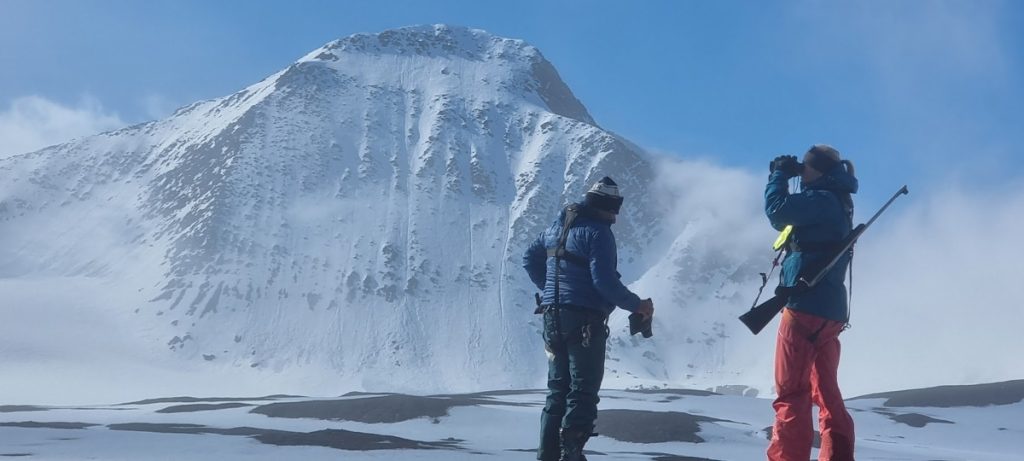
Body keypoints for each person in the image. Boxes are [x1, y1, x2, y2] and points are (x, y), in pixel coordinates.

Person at [523, 176, 654, 461]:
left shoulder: (554, 229)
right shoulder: (598, 233)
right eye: (614, 210)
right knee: (582, 391)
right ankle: (571, 453)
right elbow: (604, 282)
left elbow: (529, 259)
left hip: (551, 318)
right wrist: (638, 306)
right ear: (604, 207)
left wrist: (550, 290)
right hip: (584, 322)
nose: (615, 217)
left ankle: (546, 455)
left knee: (557, 390)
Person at [764, 145, 858, 461]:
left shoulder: (820, 200)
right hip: (830, 312)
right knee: (827, 391)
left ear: (819, 169)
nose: (801, 171)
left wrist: (778, 175)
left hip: (803, 307)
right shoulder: (839, 201)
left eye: (806, 166)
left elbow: (777, 211)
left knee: (792, 393)